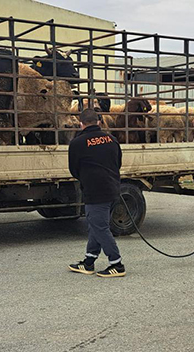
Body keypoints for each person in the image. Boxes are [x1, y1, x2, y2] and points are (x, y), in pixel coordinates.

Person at [68, 109, 126, 278]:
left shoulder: (77, 143)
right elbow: (118, 162)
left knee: (100, 227)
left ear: (81, 123)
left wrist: (88, 178)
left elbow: (74, 170)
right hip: (112, 188)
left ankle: (117, 264)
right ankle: (89, 261)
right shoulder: (112, 139)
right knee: (96, 225)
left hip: (95, 191)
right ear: (99, 122)